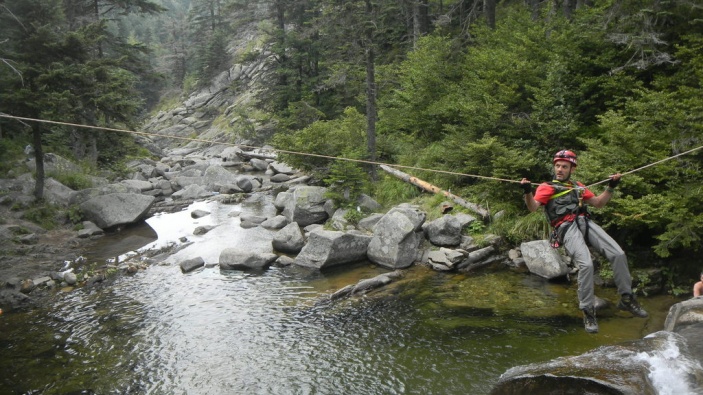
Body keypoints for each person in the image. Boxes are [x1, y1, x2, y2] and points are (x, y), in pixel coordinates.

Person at [520, 149, 648, 333]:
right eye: (557, 166)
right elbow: (533, 208)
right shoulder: (546, 187)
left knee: (618, 254)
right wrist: (527, 192)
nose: (560, 169)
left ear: (572, 168)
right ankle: (588, 311)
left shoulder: (578, 185)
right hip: (566, 228)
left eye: (564, 166)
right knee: (586, 264)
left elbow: (598, 203)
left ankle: (626, 299)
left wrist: (611, 187)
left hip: (584, 222)